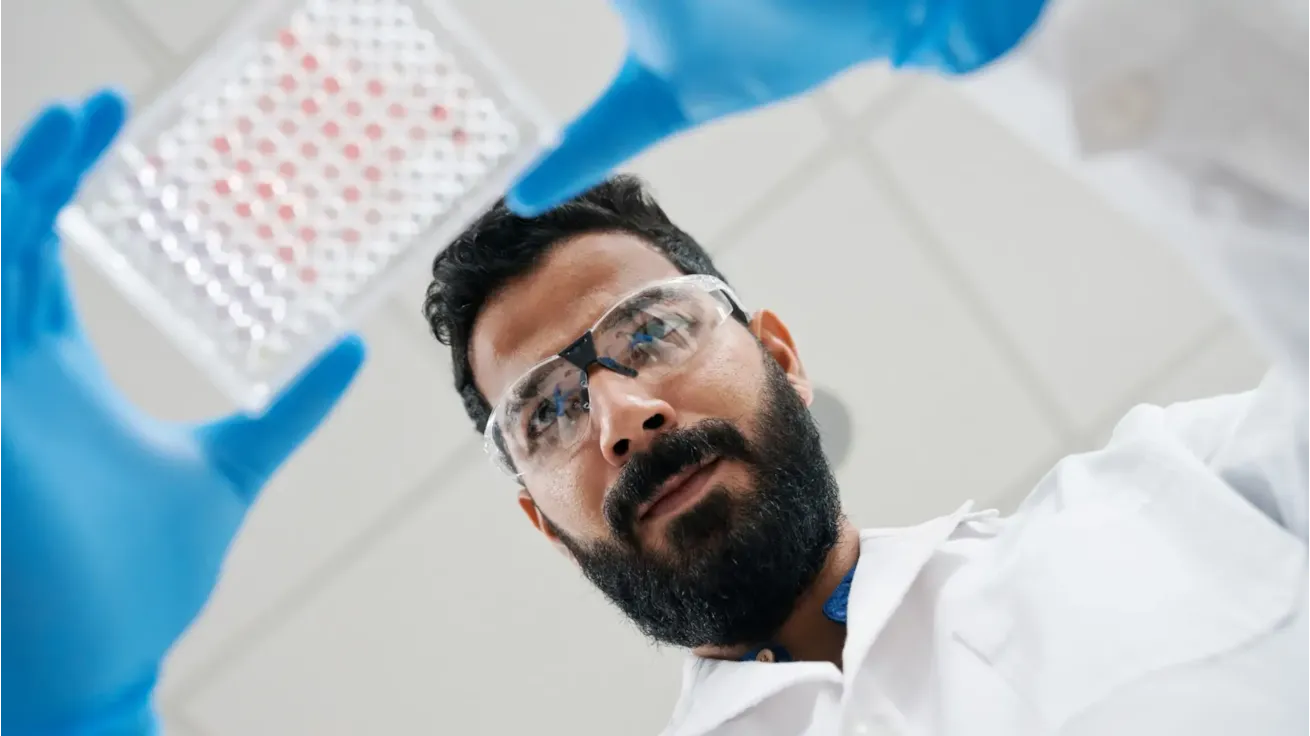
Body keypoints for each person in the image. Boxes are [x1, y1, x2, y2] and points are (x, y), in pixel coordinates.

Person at [1, 0, 1308, 733]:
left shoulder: (1189, 502)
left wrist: (1025, 32)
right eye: (547, 410)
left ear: (779, 354)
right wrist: (76, 716)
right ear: (538, 514)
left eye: (650, 334)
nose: (621, 412)